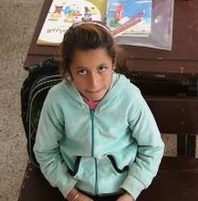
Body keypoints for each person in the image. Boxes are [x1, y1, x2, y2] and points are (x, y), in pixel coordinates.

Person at [33, 22, 164, 201]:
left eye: (101, 68)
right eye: (82, 71)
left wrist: (131, 192)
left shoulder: (130, 97)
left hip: (123, 188)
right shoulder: (57, 99)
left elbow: (152, 147)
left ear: (114, 63)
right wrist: (72, 193)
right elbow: (45, 151)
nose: (94, 84)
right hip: (74, 188)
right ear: (69, 70)